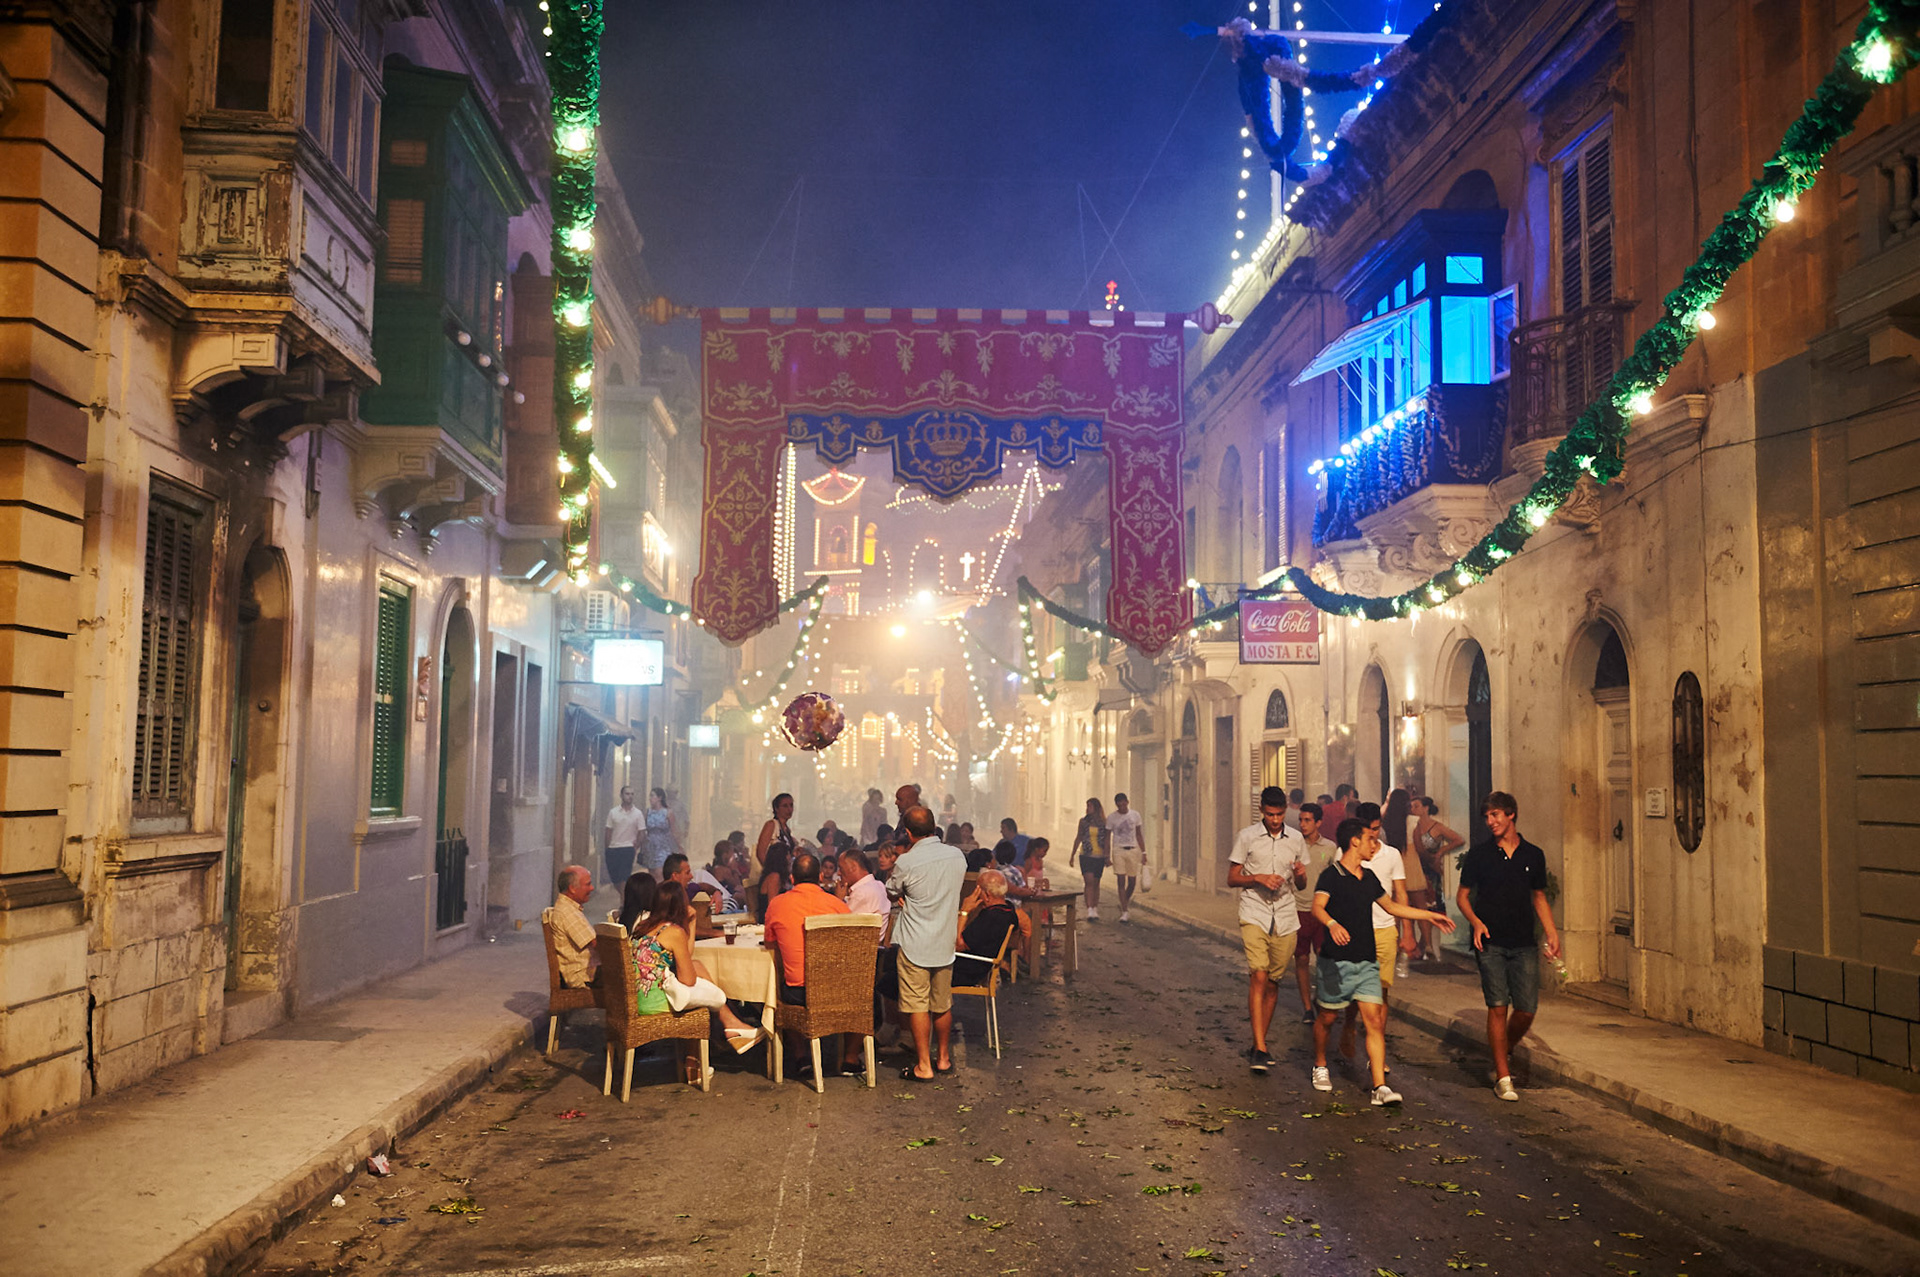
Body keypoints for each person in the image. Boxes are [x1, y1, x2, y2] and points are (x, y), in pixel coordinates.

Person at [1309, 818, 1454, 1104]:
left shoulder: (1370, 878)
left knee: (1374, 1020)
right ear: (1355, 842)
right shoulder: (1331, 876)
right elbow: (1317, 907)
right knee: (1327, 1017)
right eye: (1370, 839)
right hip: (1335, 961)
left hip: (1366, 960)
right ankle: (1320, 1064)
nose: (1375, 844)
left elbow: (1391, 906)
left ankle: (1379, 1087)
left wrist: (1430, 916)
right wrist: (1332, 924)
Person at [1457, 792, 1559, 1101]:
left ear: (1511, 815)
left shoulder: (1533, 855)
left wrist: (1552, 933)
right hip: (1490, 942)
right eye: (1487, 817)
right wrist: (1475, 921)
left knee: (1526, 1009)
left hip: (1524, 941)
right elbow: (1463, 896)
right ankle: (1503, 1076)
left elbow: (1538, 896)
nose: (1491, 822)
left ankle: (1503, 1048)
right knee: (1498, 1005)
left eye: (1496, 815)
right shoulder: (1479, 855)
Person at [629, 881, 767, 1082]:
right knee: (702, 989)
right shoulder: (673, 931)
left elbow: (686, 958)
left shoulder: (643, 925)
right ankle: (730, 1028)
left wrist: (692, 923)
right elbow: (687, 978)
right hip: (655, 1002)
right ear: (680, 905)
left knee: (698, 965)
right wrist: (689, 924)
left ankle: (712, 1047)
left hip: (639, 997)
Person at [1227, 787, 1308, 1074]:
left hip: (1285, 916)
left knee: (1274, 981)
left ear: (1285, 811)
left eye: (1280, 814)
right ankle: (1260, 1048)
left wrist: (1300, 874)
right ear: (1261, 810)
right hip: (1254, 912)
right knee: (1258, 975)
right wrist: (1258, 878)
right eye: (1271, 814)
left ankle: (1258, 1042)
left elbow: (1302, 885)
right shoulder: (1246, 837)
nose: (1275, 820)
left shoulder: (1297, 839)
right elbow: (1232, 878)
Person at [886, 806, 966, 1081]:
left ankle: (923, 1065)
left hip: (914, 944)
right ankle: (943, 1058)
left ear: (908, 833)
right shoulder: (957, 856)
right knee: (942, 1003)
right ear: (934, 827)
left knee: (918, 1004)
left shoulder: (907, 862)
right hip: (944, 941)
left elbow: (891, 890)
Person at [1336, 800, 1410, 1068]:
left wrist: (1407, 931)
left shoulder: (1392, 855)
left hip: (1385, 930)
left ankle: (1376, 1052)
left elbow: (1399, 894)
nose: (1373, 835)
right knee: (1359, 993)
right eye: (1368, 830)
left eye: (1377, 829)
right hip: (1357, 933)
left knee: (1381, 993)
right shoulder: (1345, 853)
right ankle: (1348, 1024)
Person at [1290, 802, 1338, 1023]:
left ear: (1318, 822)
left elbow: (1336, 878)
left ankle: (1321, 997)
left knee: (1323, 957)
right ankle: (1307, 1007)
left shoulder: (1329, 848)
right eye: (1301, 820)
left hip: (1320, 911)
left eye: (1307, 820)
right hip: (1296, 910)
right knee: (1300, 958)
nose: (1303, 824)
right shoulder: (1292, 845)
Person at [1411, 796, 1465, 960]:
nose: (1413, 809)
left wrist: (1441, 851)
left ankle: (1426, 945)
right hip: (1416, 869)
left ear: (1426, 808)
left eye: (1417, 806)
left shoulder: (1437, 827)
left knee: (1431, 907)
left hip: (1431, 871)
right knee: (1416, 909)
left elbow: (1459, 839)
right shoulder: (1413, 826)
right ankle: (1420, 946)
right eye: (1412, 806)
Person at [954, 869, 1022, 985]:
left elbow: (958, 945)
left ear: (986, 894)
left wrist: (964, 912)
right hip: (981, 966)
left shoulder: (991, 918)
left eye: (977, 890)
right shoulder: (1009, 911)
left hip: (965, 970)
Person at [549, 865, 599, 987]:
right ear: (572, 889)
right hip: (582, 976)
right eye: (588, 884)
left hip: (586, 971)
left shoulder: (569, 908)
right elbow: (596, 944)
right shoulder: (567, 912)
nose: (592, 888)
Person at [753, 792, 799, 921]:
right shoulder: (771, 825)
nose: (789, 809)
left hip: (784, 874)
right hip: (774, 871)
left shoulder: (787, 830)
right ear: (776, 809)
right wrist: (772, 870)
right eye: (785, 806)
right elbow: (760, 851)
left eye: (791, 805)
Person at [1106, 792, 1146, 922]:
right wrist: (1107, 856)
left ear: (1127, 802)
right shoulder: (1112, 818)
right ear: (1117, 805)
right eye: (1119, 804)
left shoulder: (1135, 815)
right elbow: (1107, 838)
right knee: (1121, 880)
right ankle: (1124, 911)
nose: (1122, 806)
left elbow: (1139, 834)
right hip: (1118, 850)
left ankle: (1124, 901)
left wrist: (1144, 852)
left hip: (1133, 850)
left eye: (1124, 803)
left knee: (1132, 881)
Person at [1070, 799, 1111, 921]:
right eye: (1087, 806)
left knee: (1096, 882)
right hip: (1086, 855)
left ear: (1096, 807)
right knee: (1089, 881)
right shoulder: (1083, 822)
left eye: (1090, 806)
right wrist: (1072, 855)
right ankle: (1089, 909)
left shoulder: (1103, 823)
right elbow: (1079, 837)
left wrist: (1107, 856)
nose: (1087, 808)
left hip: (1099, 856)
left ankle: (1094, 907)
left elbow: (1106, 840)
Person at [603, 788, 643, 893]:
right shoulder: (613, 812)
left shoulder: (638, 814)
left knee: (624, 876)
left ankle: (623, 902)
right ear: (621, 795)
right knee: (615, 878)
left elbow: (642, 831)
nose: (630, 796)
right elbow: (608, 830)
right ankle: (625, 896)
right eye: (627, 794)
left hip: (628, 848)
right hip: (613, 848)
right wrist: (607, 848)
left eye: (632, 794)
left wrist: (636, 846)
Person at [838, 846, 890, 918]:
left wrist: (838, 900)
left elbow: (840, 922)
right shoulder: (879, 884)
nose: (838, 873)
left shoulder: (860, 893)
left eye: (841, 868)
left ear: (853, 867)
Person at [642, 786, 677, 876]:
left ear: (659, 798)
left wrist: (677, 846)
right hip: (650, 846)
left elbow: (674, 831)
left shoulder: (668, 813)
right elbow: (643, 830)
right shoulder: (648, 812)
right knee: (652, 873)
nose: (650, 798)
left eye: (652, 796)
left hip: (663, 846)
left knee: (660, 872)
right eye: (650, 796)